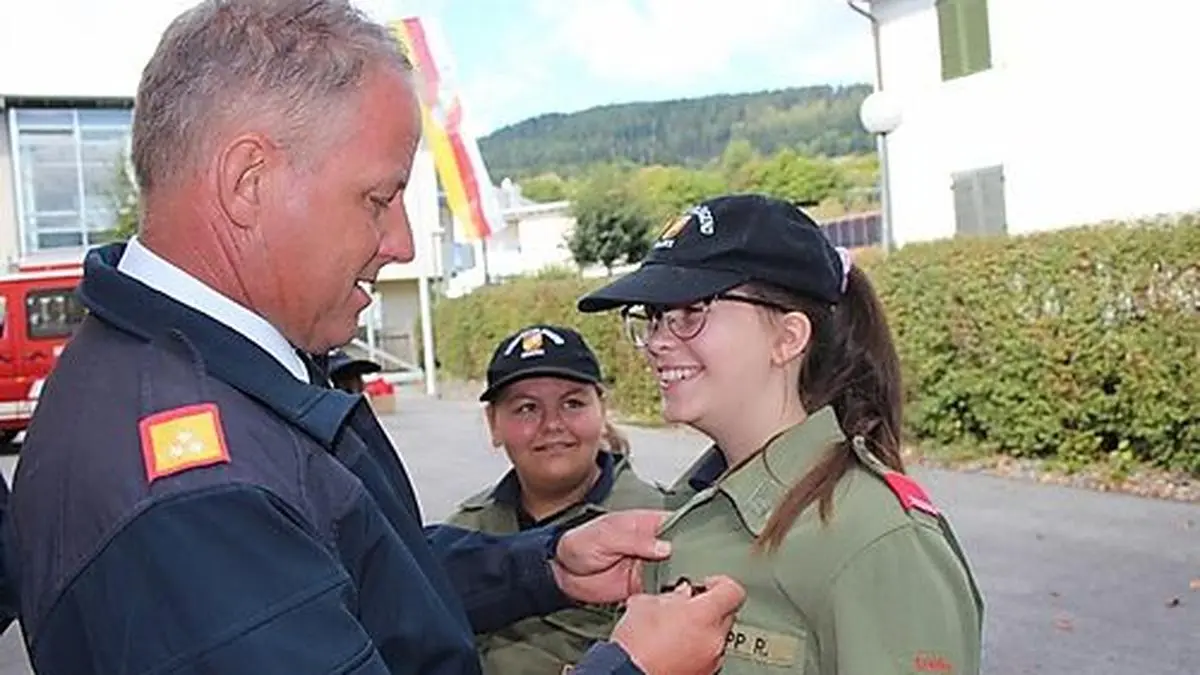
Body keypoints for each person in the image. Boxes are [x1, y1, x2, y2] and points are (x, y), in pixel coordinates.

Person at [0, 2, 745, 674]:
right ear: (247, 181)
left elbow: (347, 573)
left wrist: (545, 563)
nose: (403, 243)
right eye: (379, 197)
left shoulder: (183, 374)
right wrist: (634, 669)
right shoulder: (195, 498)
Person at [576, 194, 985, 674]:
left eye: (690, 313)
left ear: (788, 338)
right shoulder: (693, 512)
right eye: (654, 317)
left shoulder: (876, 540)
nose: (659, 343)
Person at [446, 324, 665, 674]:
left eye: (573, 403)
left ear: (602, 410)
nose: (552, 424)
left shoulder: (660, 529)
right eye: (526, 408)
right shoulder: (462, 535)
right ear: (494, 424)